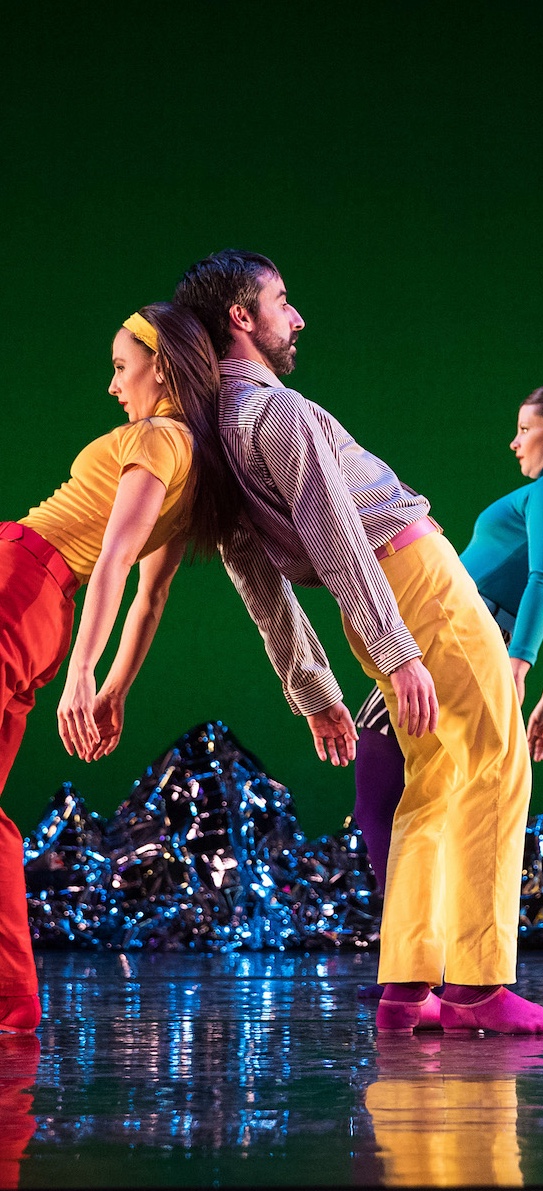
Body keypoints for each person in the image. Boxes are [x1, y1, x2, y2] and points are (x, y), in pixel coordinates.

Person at [174, 250, 543, 1035]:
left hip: (381, 601)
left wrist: (313, 684)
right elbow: (336, 530)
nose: (298, 317)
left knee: (436, 777)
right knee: (493, 762)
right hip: (412, 583)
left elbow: (258, 579)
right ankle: (478, 986)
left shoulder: (218, 434)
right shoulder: (273, 413)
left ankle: (407, 984)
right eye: (283, 301)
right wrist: (397, 647)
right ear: (241, 319)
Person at [1, 303, 232, 1033]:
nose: (112, 385)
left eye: (120, 366)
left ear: (160, 367)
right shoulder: (193, 460)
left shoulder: (159, 437)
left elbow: (117, 560)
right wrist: (114, 688)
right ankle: (12, 1001)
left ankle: (12, 1000)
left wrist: (84, 674)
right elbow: (151, 596)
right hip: (40, 600)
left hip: (23, 582)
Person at [353, 380, 543, 890]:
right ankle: (426, 939)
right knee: (434, 791)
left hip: (451, 633)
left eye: (524, 430)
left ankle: (411, 938)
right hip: (472, 635)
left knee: (381, 790)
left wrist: (518, 664)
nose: (515, 443)